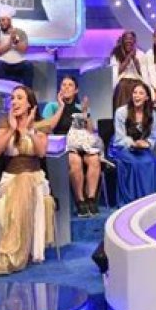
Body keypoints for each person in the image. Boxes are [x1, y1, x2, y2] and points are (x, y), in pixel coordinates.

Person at [0, 85, 55, 274]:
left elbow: (41, 153)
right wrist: (12, 129)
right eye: (12, 98)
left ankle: (11, 253)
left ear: (29, 104)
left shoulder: (40, 126)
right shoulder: (5, 125)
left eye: (19, 98)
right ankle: (13, 251)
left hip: (36, 179)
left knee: (25, 180)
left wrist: (29, 131)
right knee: (20, 182)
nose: (14, 102)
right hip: (10, 178)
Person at [41, 76, 102, 217]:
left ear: (76, 90)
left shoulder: (80, 107)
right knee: (75, 160)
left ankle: (91, 199)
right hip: (62, 146)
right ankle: (80, 200)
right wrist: (61, 107)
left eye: (70, 85)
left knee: (94, 159)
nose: (66, 87)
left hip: (81, 143)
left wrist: (86, 114)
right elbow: (48, 128)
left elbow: (90, 132)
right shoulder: (52, 106)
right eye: (64, 85)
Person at [110, 82, 156, 206]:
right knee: (135, 163)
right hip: (121, 147)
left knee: (151, 162)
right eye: (135, 93)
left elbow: (153, 136)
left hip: (142, 149)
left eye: (141, 93)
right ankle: (133, 202)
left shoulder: (152, 114)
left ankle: (148, 201)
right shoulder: (121, 112)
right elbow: (119, 137)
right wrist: (133, 143)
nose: (137, 96)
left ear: (147, 97)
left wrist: (147, 143)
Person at [0, 5, 33, 87]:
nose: (1, 23)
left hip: (19, 61)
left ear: (10, 20)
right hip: (3, 61)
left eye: (3, 20)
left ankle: (27, 92)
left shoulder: (20, 32)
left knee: (28, 65)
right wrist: (10, 40)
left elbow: (23, 49)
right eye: (0, 21)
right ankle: (2, 90)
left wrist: (15, 39)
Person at [110, 30, 150, 111]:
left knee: (139, 88)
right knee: (122, 86)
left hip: (137, 79)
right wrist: (129, 57)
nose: (128, 41)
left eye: (131, 39)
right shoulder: (116, 53)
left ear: (134, 41)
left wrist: (134, 59)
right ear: (123, 40)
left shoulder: (140, 54)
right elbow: (117, 71)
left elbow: (142, 72)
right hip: (123, 80)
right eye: (126, 39)